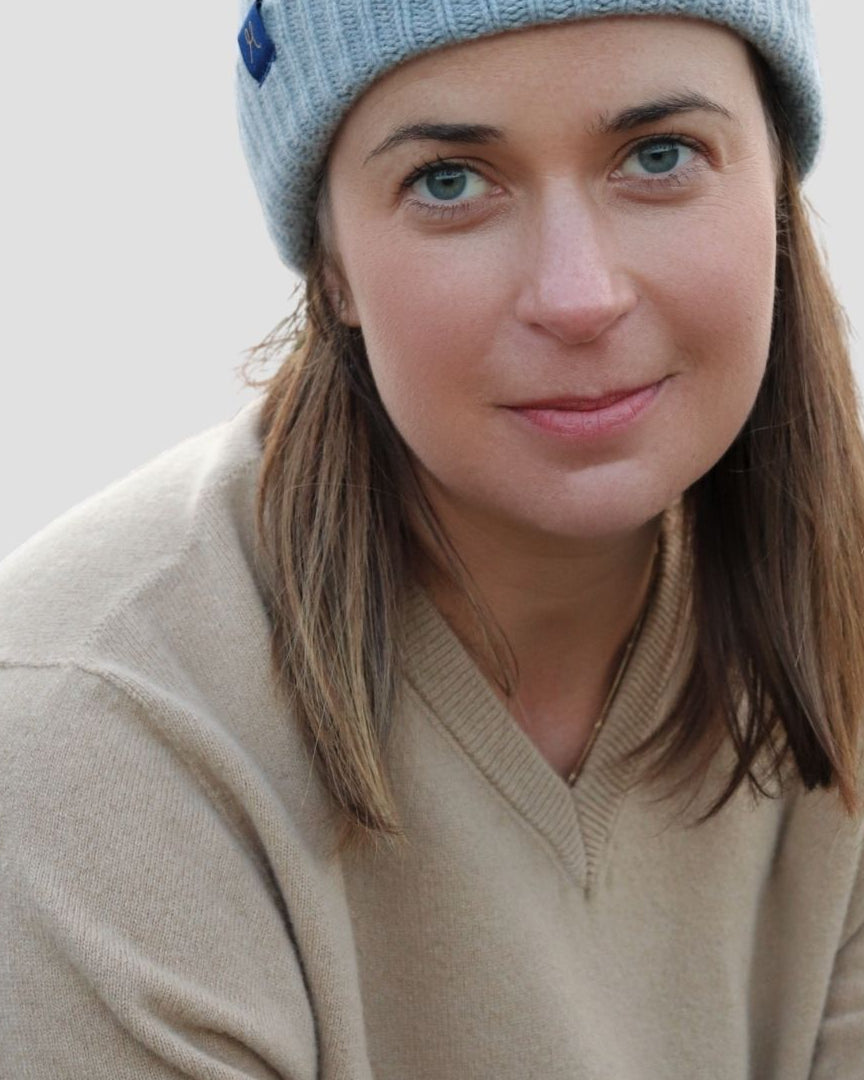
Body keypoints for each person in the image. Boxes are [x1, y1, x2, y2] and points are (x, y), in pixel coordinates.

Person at [2, 0, 863, 1076]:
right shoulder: (89, 741)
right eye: (449, 181)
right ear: (331, 268)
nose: (578, 296)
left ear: (777, 191)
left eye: (659, 155)